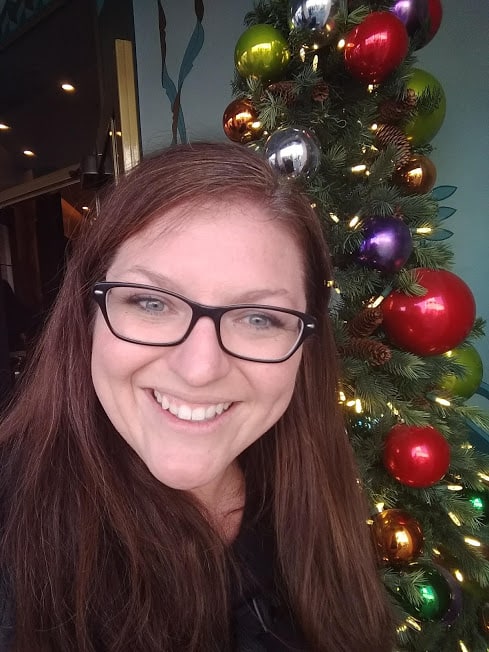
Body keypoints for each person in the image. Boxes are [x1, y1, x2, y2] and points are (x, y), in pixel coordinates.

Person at [0, 142, 394, 651]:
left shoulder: (314, 501)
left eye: (259, 318)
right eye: (151, 302)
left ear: (306, 347)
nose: (201, 369)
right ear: (87, 315)